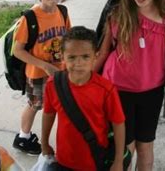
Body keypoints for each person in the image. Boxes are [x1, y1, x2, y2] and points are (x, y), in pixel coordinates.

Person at [94, 0, 165, 171]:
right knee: (124, 148)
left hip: (152, 91)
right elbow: (103, 53)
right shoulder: (117, 14)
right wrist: (80, 84)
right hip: (117, 90)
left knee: (146, 146)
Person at [42, 26, 126, 170]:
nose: (78, 63)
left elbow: (118, 124)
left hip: (95, 160)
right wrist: (44, 142)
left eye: (85, 56)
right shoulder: (53, 84)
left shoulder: (106, 89)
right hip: (64, 159)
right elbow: (48, 113)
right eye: (72, 57)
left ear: (96, 56)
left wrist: (118, 161)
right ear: (62, 57)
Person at [12, 0, 71, 155]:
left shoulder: (62, 12)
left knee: (61, 103)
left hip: (60, 70)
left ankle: (67, 138)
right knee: (35, 104)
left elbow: (69, 37)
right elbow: (17, 51)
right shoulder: (29, 18)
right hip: (38, 74)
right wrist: (44, 65)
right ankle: (23, 137)